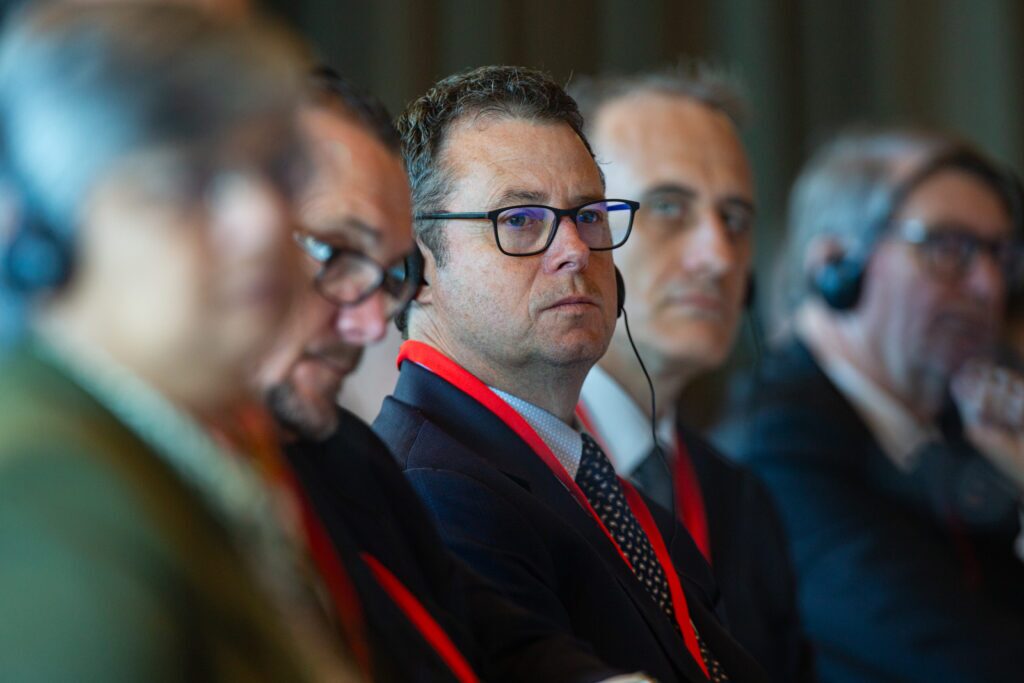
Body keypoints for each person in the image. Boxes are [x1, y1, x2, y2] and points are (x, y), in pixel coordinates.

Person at [373, 64, 768, 683]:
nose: (576, 251)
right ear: (414, 271)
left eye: (588, 215)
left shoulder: (588, 476)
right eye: (520, 220)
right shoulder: (432, 490)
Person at [0, 4, 361, 680]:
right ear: (45, 240)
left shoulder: (174, 443)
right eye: (185, 181)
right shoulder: (45, 493)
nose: (262, 220)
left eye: (276, 172)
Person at [257, 68, 600, 683]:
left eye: (391, 275)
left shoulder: (345, 456)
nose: (371, 324)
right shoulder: (107, 485)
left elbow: (497, 637)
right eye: (337, 254)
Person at [728, 128, 1024, 683]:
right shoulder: (777, 449)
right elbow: (969, 664)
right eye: (948, 248)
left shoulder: (969, 430)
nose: (989, 285)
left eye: (1001, 255)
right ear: (837, 265)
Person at [567, 69, 812, 683]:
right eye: (669, 208)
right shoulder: (506, 471)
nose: (718, 257)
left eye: (735, 219)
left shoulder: (744, 502)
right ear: (578, 233)